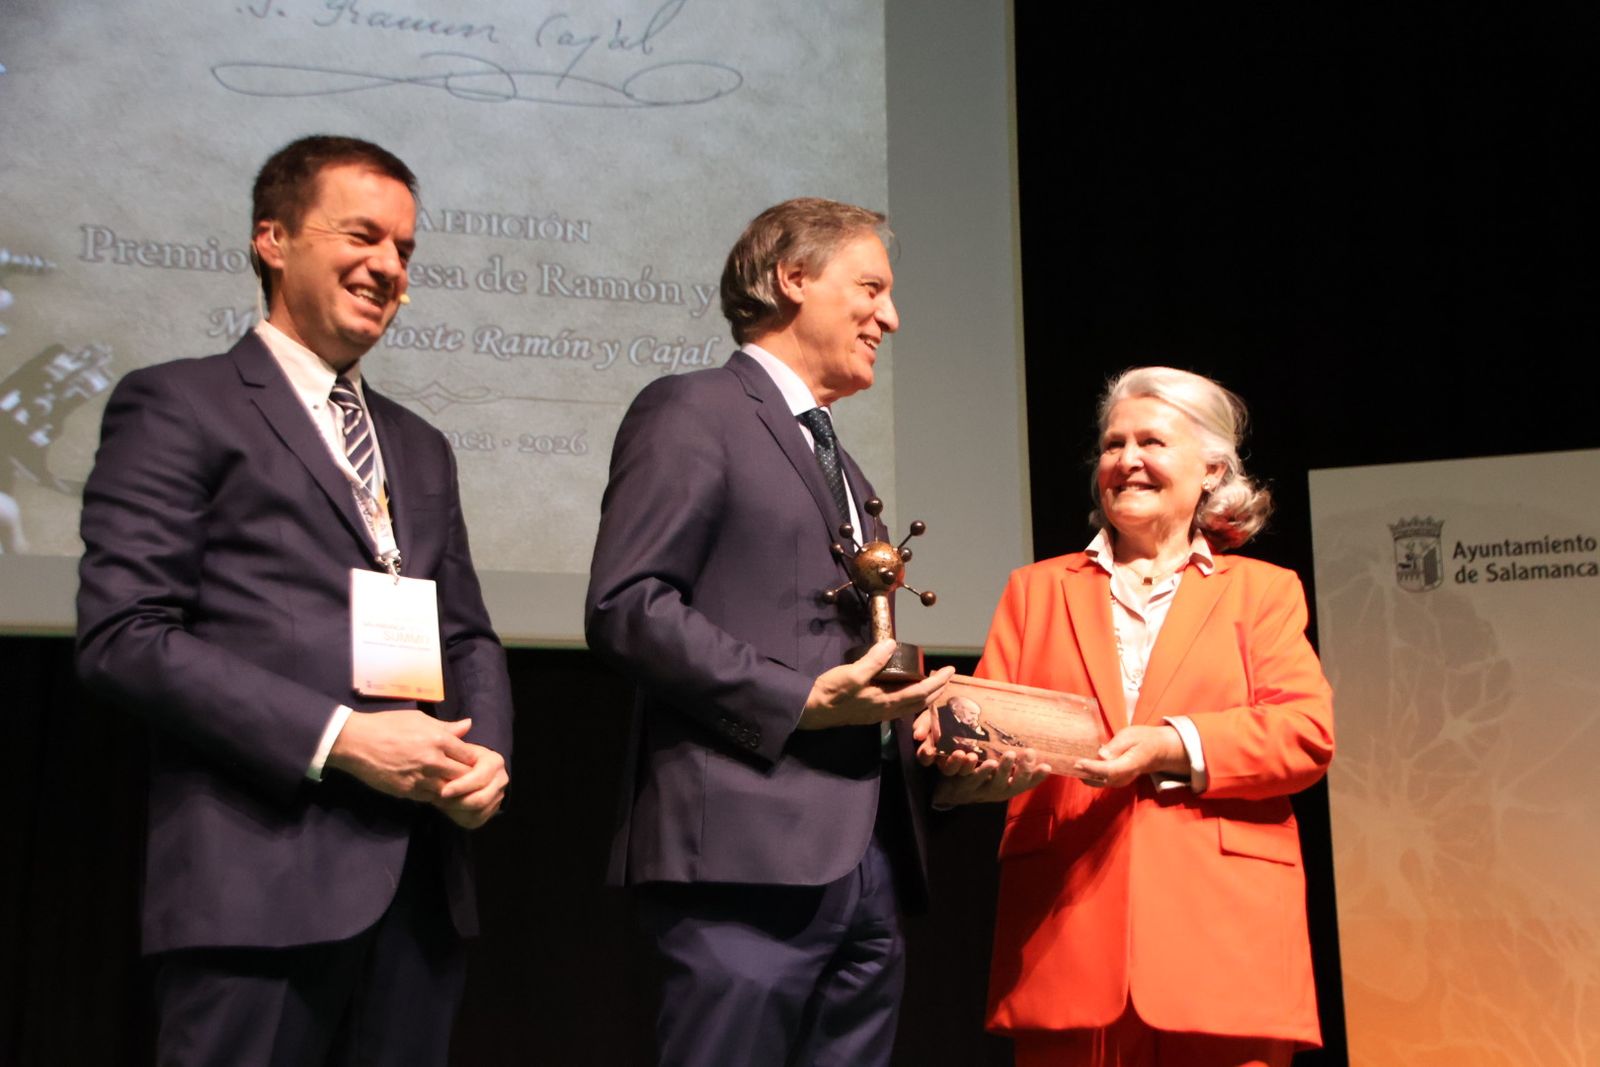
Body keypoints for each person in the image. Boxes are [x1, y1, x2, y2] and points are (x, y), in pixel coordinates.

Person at [75, 135, 513, 1067]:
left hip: (420, 889)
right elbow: (125, 634)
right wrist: (342, 736)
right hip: (258, 883)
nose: (389, 266)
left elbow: (467, 630)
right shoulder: (179, 405)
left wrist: (487, 756)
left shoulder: (421, 443)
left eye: (405, 249)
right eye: (364, 236)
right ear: (272, 239)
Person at [586, 197, 954, 1067]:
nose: (890, 318)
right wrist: (796, 698)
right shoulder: (693, 409)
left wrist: (927, 728)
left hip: (867, 864)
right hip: (743, 861)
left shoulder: (845, 465)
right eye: (871, 287)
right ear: (793, 278)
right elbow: (628, 604)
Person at [927, 366, 1334, 1067]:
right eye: (1113, 444)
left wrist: (1169, 744)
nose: (1126, 460)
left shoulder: (1264, 592)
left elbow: (1304, 733)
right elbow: (991, 727)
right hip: (1067, 936)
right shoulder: (1035, 591)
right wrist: (958, 744)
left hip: (1224, 945)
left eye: (1151, 441)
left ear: (1211, 469)